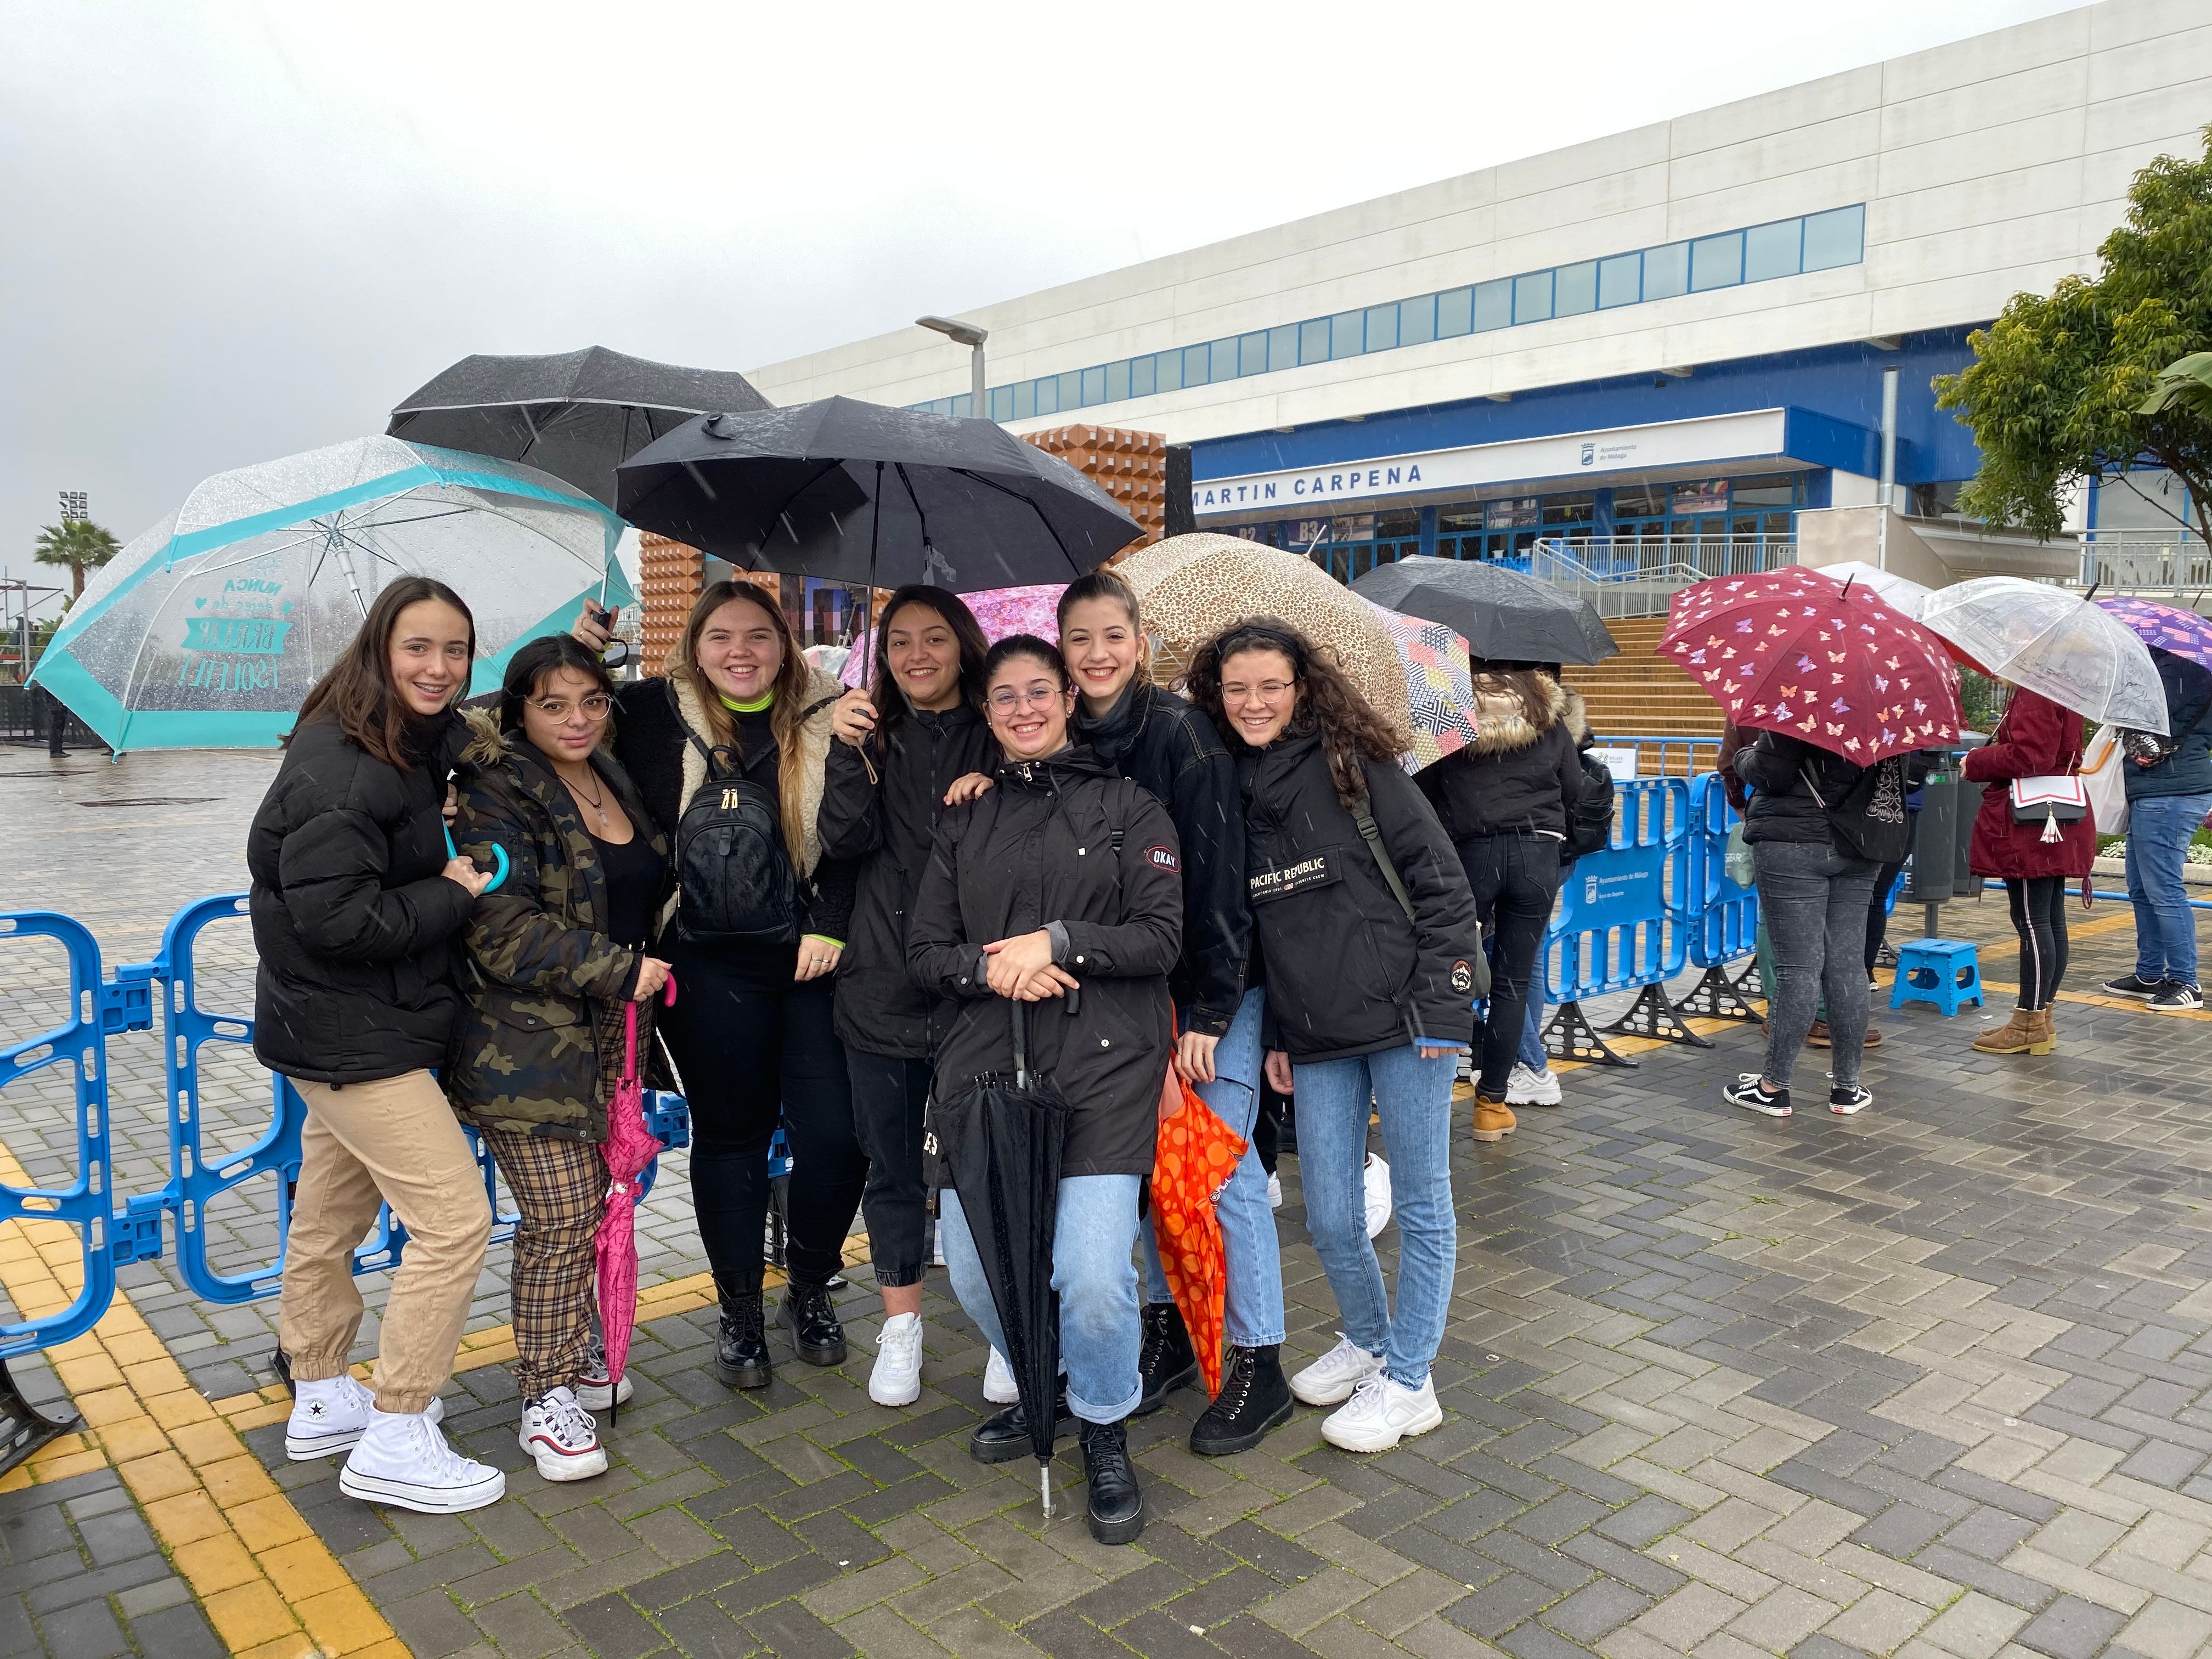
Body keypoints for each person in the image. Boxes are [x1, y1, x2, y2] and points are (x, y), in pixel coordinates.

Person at [908, 636, 1183, 1545]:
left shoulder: (1129, 803)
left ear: (1068, 695)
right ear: (985, 713)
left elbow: (1158, 934)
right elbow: (924, 952)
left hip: (1103, 1068)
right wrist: (995, 972)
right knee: (981, 1273)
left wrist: (1058, 941)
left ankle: (1105, 1424)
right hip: (983, 1067)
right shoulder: (963, 817)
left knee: (1096, 1274)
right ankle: (1055, 1379)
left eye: (1039, 690)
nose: (1024, 707)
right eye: (1004, 696)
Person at [1187, 619, 1480, 1453]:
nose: (1253, 703)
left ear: (1303, 688)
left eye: (1271, 687)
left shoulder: (1358, 765)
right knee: (1331, 1215)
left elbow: (1442, 885)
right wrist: (1278, 1030)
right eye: (1236, 688)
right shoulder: (1233, 785)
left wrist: (1443, 1007)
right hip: (1313, 1031)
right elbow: (1267, 930)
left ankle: (1412, 1380)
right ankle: (1371, 1340)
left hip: (1406, 1021)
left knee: (1423, 1203)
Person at [251, 576, 503, 1514]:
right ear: (378, 650)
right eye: (418, 648)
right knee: (453, 1221)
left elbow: (468, 724)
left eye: (455, 649)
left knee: (329, 1213)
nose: (439, 668)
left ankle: (320, 1389)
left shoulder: (392, 740)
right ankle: (398, 1426)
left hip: (333, 1026)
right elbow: (336, 918)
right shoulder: (346, 766)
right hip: (356, 1033)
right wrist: (455, 886)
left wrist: (590, 643)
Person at [575, 584, 866, 1389]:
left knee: (837, 1136)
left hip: (811, 956)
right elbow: (534, 716)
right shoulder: (647, 712)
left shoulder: (837, 711)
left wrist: (831, 923)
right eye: (721, 637)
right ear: (693, 648)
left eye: (759, 637)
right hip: (703, 959)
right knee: (730, 1137)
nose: (741, 652)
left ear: (784, 643)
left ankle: (809, 1285)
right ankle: (739, 1310)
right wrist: (583, 651)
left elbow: (856, 834)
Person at [1056, 569, 1289, 1456]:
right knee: (1152, 1176)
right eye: (1081, 637)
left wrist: (1210, 1011)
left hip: (1205, 999)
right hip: (1120, 1003)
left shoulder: (1184, 736)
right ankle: (1167, 1333)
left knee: (1220, 1178)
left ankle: (1259, 1357)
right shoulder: (1069, 734)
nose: (1099, 652)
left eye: (1113, 634)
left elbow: (1220, 881)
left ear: (1140, 640)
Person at [447, 636, 672, 1483]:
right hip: (523, 1049)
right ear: (518, 711)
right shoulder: (495, 793)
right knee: (558, 1218)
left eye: (591, 701)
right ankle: (543, 1397)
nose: (576, 719)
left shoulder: (609, 773)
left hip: (612, 1039)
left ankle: (575, 1354)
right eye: (553, 704)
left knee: (594, 1206)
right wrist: (622, 969)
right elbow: (498, 928)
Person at [818, 587, 998, 1407]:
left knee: (984, 1159)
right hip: (881, 979)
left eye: (933, 638)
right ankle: (901, 1326)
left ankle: (1006, 1320)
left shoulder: (1002, 727)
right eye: (898, 643)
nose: (916, 655)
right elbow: (845, 842)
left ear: (964, 645)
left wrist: (995, 784)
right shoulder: (867, 733)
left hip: (979, 986)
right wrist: (843, 752)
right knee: (890, 1159)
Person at [1418, 661, 1583, 1140]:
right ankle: (1491, 1106)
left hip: (1471, 856)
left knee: (1450, 974)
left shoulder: (1449, 716)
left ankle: (1431, 1098)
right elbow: (1576, 790)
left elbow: (1423, 795)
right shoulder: (1544, 716)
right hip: (1537, 855)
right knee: (1513, 982)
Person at [1728, 731, 1904, 1117]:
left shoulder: (1802, 698)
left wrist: (1744, 756)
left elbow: (1771, 771)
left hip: (1794, 842)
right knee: (1847, 965)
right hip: (1860, 841)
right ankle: (1847, 1088)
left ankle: (1773, 1087)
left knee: (1799, 967)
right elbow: (1911, 774)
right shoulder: (1892, 706)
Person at [1963, 685, 2094, 1053]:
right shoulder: (2062, 686)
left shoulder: (2036, 689)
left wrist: (1976, 761)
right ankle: (2041, 1017)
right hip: (2054, 812)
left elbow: (2031, 755)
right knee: (2049, 918)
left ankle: (2029, 1021)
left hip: (2030, 822)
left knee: (2033, 921)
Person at [2107, 651, 2212, 1012]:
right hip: (2157, 790)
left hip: (2170, 792)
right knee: (2141, 887)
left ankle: (2186, 982)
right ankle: (2150, 973)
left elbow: (2140, 714)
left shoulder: (2178, 671)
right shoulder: (2176, 668)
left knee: (2163, 889)